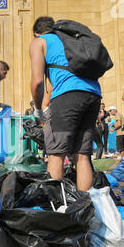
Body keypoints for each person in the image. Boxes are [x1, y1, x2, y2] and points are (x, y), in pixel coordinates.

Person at [29, 16, 102, 191]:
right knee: (82, 155)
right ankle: (85, 205)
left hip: (67, 96)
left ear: (36, 33)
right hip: (93, 94)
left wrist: (38, 109)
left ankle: (57, 210)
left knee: (56, 154)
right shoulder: (69, 39)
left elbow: (38, 81)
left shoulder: (40, 42)